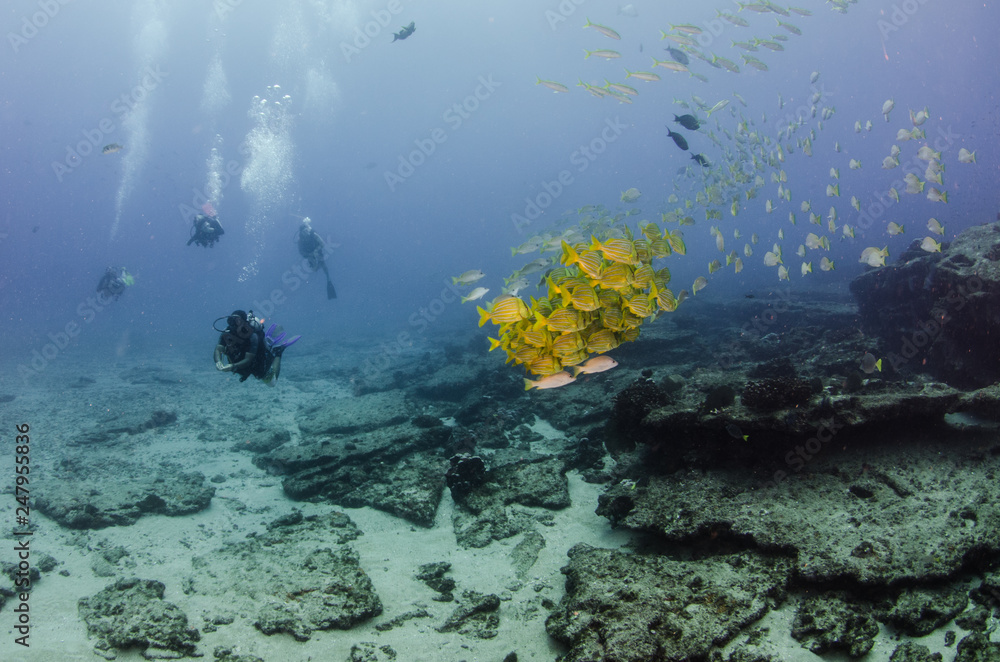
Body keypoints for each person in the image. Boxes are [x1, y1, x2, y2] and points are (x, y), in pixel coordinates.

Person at [213, 310, 299, 386]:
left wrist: (233, 366)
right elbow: (218, 348)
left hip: (256, 360)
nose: (234, 324)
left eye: (237, 320)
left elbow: (248, 359)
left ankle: (278, 352)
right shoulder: (227, 333)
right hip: (240, 361)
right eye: (231, 320)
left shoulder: (252, 336)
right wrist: (218, 361)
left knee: (271, 383)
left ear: (244, 321)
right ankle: (269, 343)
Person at [295, 217, 337, 299]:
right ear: (301, 233)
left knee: (323, 265)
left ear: (308, 229)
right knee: (314, 269)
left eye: (307, 230)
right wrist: (309, 255)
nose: (306, 233)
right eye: (304, 232)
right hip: (309, 254)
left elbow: (322, 244)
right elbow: (301, 252)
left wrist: (316, 250)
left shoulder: (313, 235)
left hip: (317, 251)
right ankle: (319, 265)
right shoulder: (300, 240)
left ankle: (328, 279)